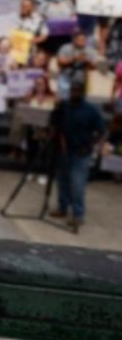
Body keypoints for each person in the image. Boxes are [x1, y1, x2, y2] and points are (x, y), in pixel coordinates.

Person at [48, 78, 107, 231]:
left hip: (81, 151)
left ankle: (78, 213)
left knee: (77, 184)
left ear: (83, 92)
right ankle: (62, 207)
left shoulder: (91, 110)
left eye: (78, 90)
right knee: (62, 180)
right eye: (72, 90)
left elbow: (101, 131)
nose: (74, 93)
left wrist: (90, 145)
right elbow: (53, 122)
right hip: (63, 149)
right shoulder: (64, 107)